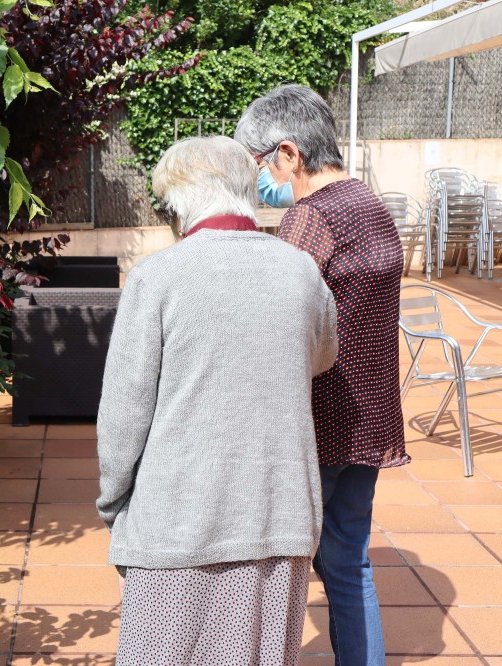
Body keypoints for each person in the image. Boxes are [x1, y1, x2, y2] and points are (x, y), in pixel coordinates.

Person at [96, 135, 339, 666]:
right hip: (279, 515)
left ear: (180, 202)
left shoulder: (156, 279)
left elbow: (123, 413)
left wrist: (114, 505)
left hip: (177, 521)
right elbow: (322, 356)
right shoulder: (302, 271)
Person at [235, 84, 410, 666]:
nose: (261, 180)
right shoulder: (368, 202)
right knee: (348, 559)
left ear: (289, 154)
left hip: (320, 425)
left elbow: (277, 328)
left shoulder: (310, 220)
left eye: (261, 164)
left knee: (274, 565)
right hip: (371, 419)